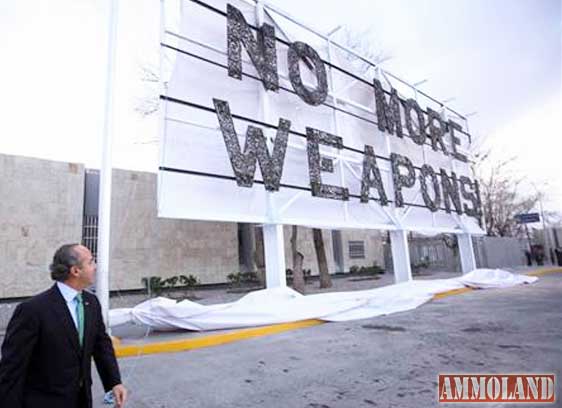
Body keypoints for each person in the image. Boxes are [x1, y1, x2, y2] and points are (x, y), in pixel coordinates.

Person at [0, 244, 127, 408]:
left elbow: (101, 345)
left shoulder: (91, 303)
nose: (95, 267)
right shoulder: (33, 310)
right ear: (75, 271)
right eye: (91, 262)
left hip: (81, 400)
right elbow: (12, 367)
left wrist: (114, 382)